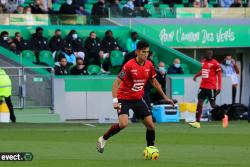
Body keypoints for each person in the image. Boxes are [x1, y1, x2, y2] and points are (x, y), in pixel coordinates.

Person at [96, 40, 174, 153]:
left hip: (138, 98)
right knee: (123, 124)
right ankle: (103, 138)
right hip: (124, 98)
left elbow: (154, 82)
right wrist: (115, 100)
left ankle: (150, 149)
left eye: (147, 52)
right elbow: (116, 83)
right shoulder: (129, 65)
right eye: (143, 52)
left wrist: (165, 97)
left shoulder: (149, 64)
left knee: (151, 125)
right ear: (137, 52)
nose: (146, 54)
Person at [189, 49, 227, 128]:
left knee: (212, 105)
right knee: (199, 103)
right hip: (202, 87)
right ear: (206, 54)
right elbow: (203, 71)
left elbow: (219, 76)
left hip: (211, 87)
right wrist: (196, 75)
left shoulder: (215, 63)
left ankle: (224, 117)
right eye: (208, 53)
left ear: (212, 54)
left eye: (211, 53)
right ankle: (197, 122)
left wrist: (219, 87)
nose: (209, 54)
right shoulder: (203, 61)